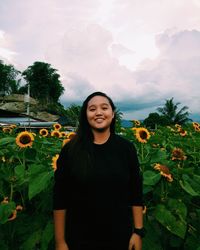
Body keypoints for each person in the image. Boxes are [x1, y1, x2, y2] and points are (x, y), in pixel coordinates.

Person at [53, 91, 144, 250]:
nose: (99, 113)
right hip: (79, 237)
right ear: (85, 115)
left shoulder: (126, 148)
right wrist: (60, 242)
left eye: (104, 107)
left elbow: (135, 192)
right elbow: (60, 198)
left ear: (113, 113)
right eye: (92, 109)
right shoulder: (71, 150)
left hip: (120, 236)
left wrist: (138, 232)